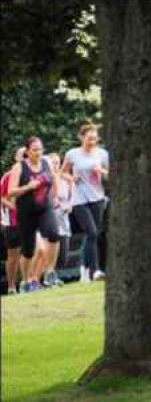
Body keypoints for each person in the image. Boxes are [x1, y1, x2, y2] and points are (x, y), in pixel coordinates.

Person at [6, 137, 61, 293]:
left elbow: (53, 178)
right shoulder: (19, 167)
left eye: (40, 149)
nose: (38, 152)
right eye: (35, 150)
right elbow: (10, 192)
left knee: (54, 234)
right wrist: (28, 186)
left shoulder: (47, 162)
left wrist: (55, 196)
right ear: (27, 151)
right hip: (26, 212)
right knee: (28, 251)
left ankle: (50, 271)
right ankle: (25, 281)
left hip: (45, 208)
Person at [62, 123, 109, 283]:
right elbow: (62, 173)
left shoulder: (102, 154)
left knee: (94, 235)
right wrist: (71, 178)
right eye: (89, 139)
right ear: (81, 137)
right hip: (79, 200)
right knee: (92, 232)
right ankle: (95, 271)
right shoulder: (72, 154)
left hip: (98, 198)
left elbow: (112, 174)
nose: (92, 142)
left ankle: (86, 269)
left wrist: (100, 171)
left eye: (95, 139)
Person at [44, 153, 72, 287]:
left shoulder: (65, 180)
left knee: (63, 256)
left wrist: (70, 205)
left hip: (64, 220)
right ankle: (47, 278)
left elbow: (71, 197)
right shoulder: (46, 179)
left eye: (57, 162)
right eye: (52, 162)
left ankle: (53, 276)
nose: (55, 164)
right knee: (48, 251)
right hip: (50, 220)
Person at [1, 148, 26, 294]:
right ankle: (11, 286)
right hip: (13, 221)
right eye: (21, 155)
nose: (24, 158)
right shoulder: (8, 176)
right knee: (13, 255)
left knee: (33, 251)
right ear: (16, 158)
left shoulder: (33, 174)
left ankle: (28, 282)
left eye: (26, 155)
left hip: (31, 219)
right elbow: (2, 197)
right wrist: (15, 208)